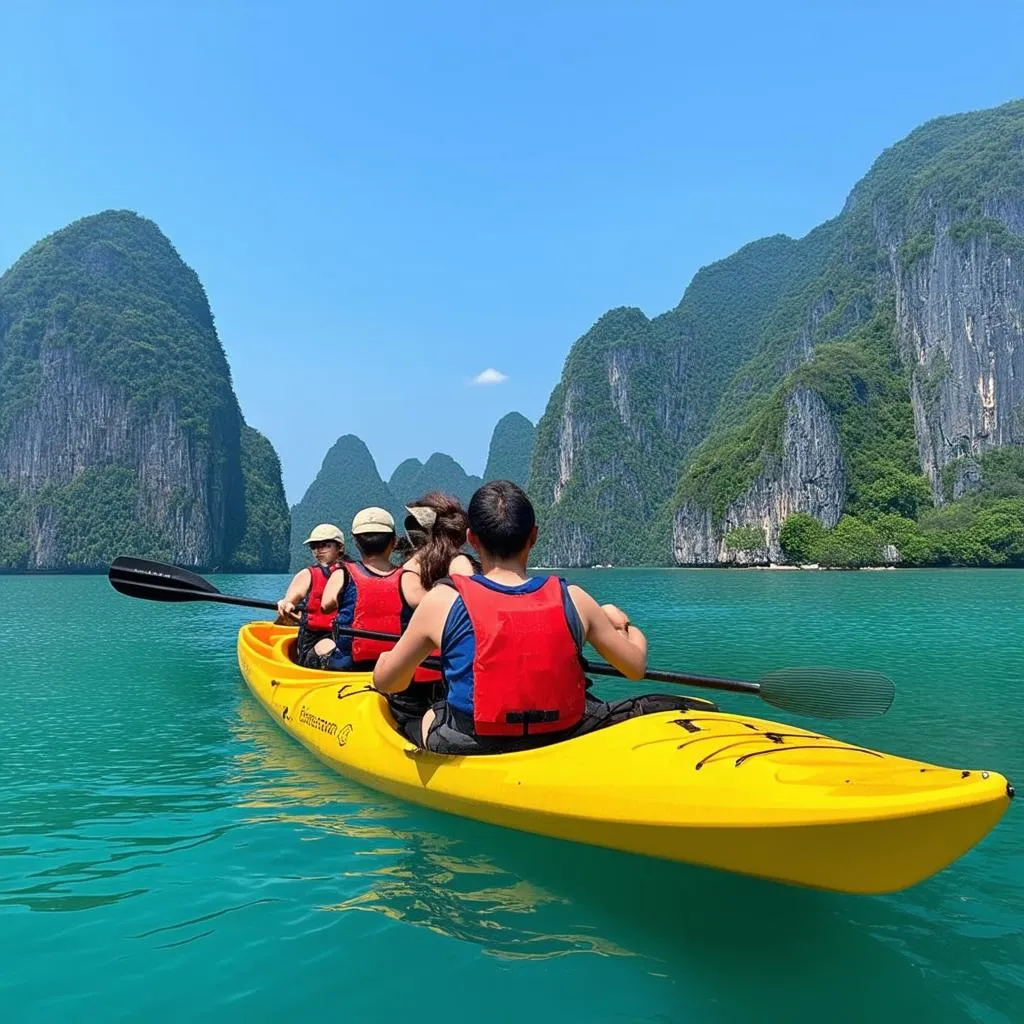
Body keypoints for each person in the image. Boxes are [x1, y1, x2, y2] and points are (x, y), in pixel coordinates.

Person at [374, 480, 690, 754]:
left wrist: (387, 658)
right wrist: (625, 624)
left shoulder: (442, 600)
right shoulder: (575, 599)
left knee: (425, 716)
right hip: (563, 734)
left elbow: (389, 681)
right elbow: (635, 667)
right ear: (533, 536)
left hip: (473, 742)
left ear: (472, 539)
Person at [317, 507, 404, 670]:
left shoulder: (343, 573)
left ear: (356, 543)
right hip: (394, 664)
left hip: (349, 663)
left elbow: (326, 605)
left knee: (319, 647)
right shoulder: (407, 577)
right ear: (394, 541)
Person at [277, 523, 345, 668]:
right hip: (315, 640)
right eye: (314, 546)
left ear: (340, 547)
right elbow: (289, 602)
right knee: (329, 647)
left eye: (325, 545)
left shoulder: (353, 573)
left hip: (346, 637)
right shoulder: (308, 575)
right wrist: (286, 604)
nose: (318, 551)